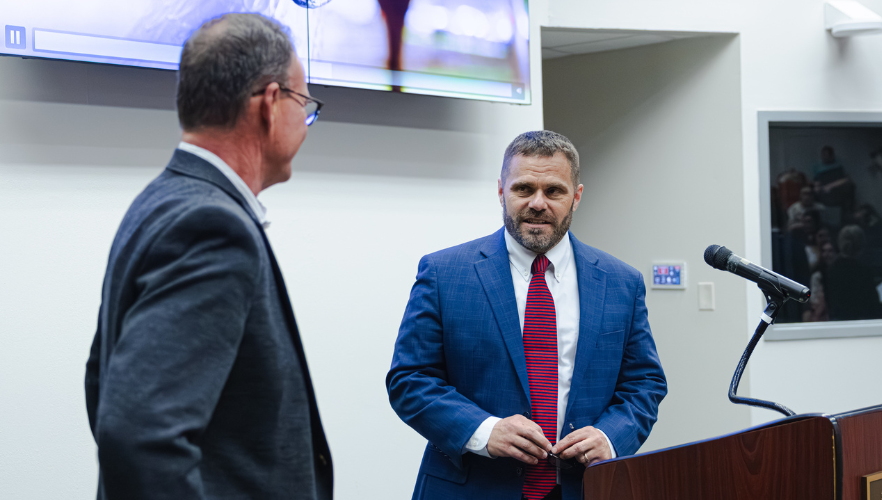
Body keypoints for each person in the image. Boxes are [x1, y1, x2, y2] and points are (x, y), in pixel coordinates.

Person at [84, 14, 331, 500]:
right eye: (303, 104)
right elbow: (139, 434)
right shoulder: (213, 228)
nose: (306, 124)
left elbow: (103, 382)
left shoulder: (161, 200)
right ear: (269, 103)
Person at [386, 131, 667, 500]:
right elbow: (410, 379)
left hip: (586, 488)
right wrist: (485, 431)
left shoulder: (621, 282)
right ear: (501, 191)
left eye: (554, 191)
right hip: (471, 487)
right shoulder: (444, 273)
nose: (538, 203)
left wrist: (611, 437)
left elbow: (644, 383)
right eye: (523, 189)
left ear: (576, 197)